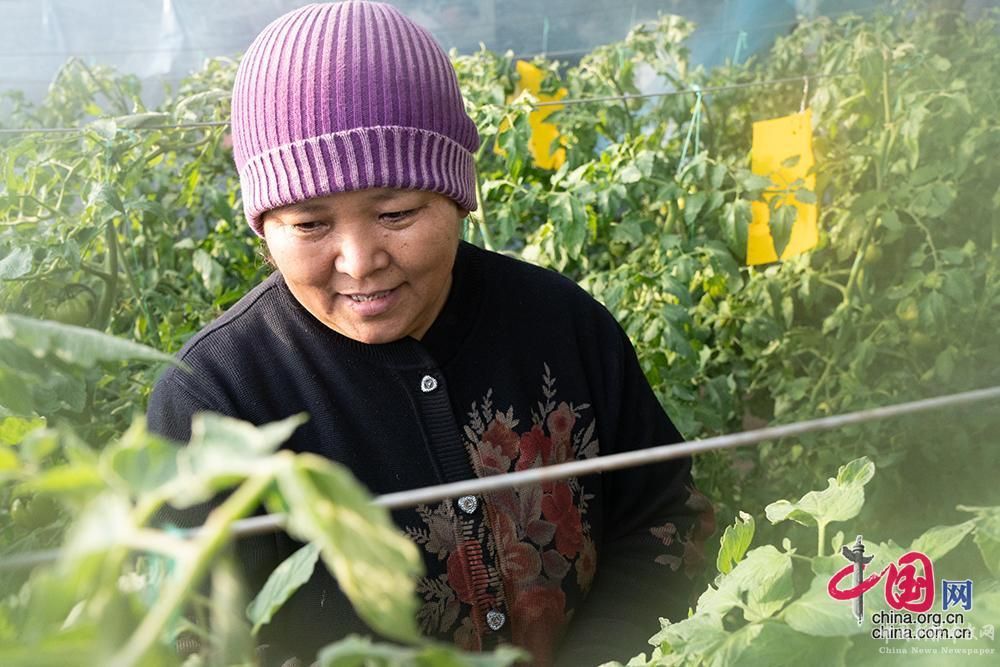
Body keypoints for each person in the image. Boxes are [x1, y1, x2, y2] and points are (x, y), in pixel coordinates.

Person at [147, 2, 714, 666]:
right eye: (309, 224)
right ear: (265, 227)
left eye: (396, 212)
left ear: (457, 195)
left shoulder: (562, 324)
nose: (359, 262)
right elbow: (193, 639)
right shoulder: (213, 401)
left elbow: (664, 520)